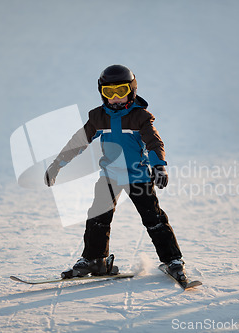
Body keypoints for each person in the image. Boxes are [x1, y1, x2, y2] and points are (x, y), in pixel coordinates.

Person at [44, 64, 185, 280]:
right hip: (109, 176)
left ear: (132, 91)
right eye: (109, 93)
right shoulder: (98, 117)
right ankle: (95, 259)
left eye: (121, 91)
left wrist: (159, 165)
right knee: (97, 217)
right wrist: (57, 164)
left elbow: (154, 143)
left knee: (153, 218)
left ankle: (172, 260)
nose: (116, 98)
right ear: (102, 93)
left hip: (137, 176)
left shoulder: (140, 118)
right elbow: (77, 142)